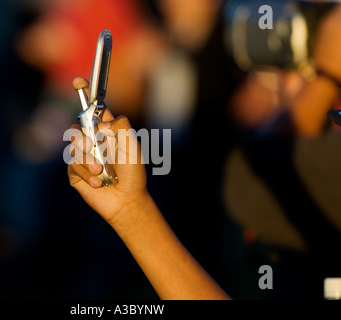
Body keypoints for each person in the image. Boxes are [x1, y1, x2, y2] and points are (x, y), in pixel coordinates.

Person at [66, 3, 341, 300]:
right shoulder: (161, 39)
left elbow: (253, 187)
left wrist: (323, 78)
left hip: (203, 200)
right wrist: (131, 212)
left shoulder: (221, 50)